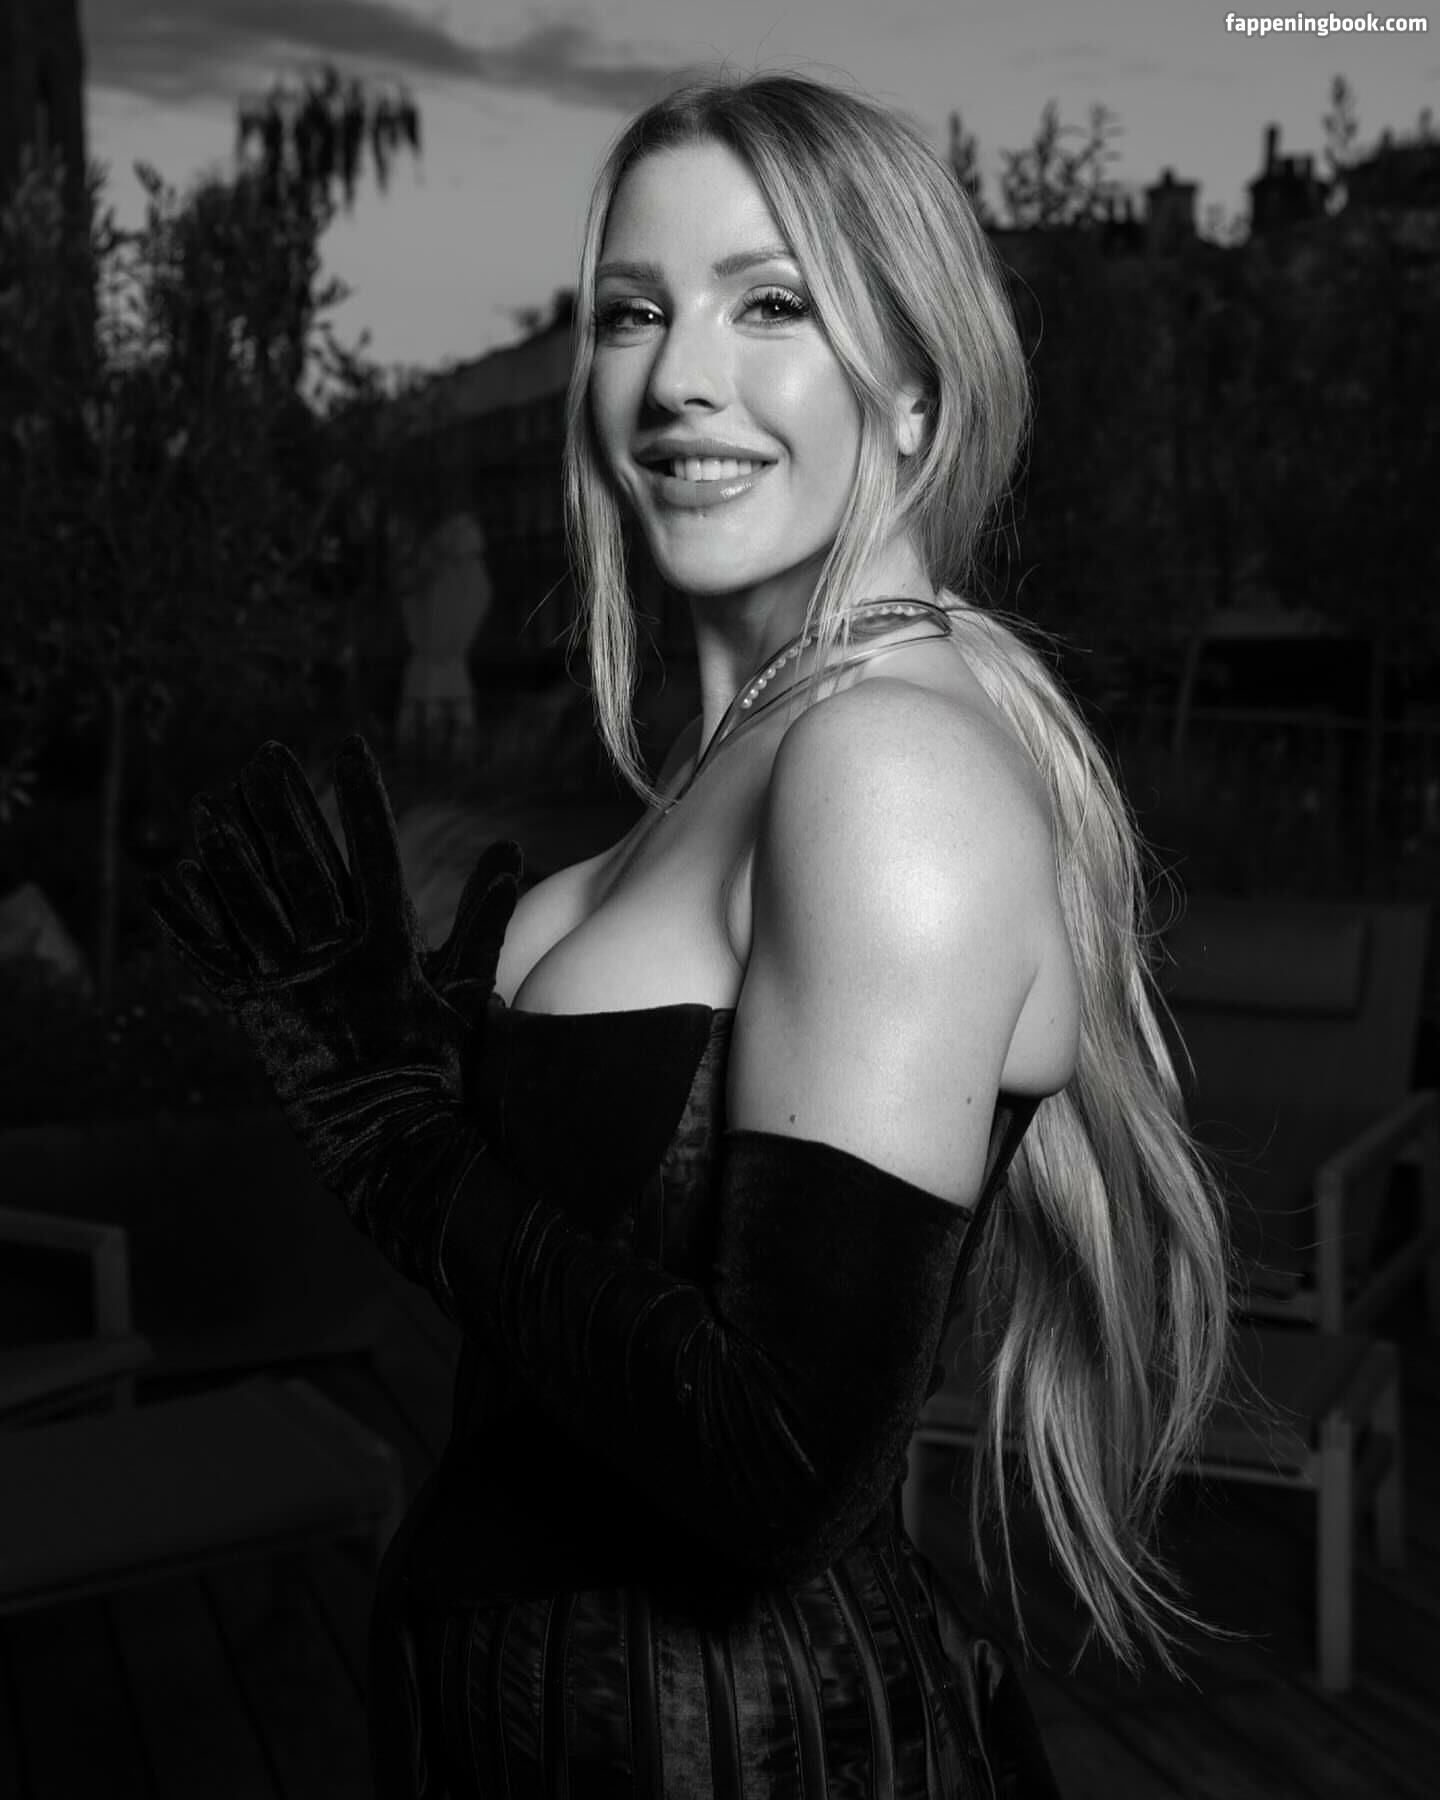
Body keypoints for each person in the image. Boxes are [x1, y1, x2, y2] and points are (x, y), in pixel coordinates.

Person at [150, 70, 1234, 1800]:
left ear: (915, 391)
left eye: (771, 303)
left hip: (741, 1752)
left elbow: (781, 1465)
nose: (677, 379)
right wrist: (456, 1077)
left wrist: (403, 1143)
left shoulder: (885, 766)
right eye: (635, 311)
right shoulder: (750, 751)